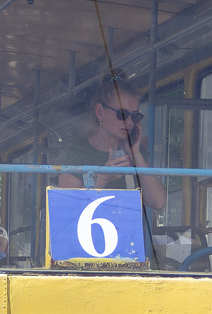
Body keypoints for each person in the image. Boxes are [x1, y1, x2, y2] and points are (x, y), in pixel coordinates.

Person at [56, 70, 167, 210]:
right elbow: (67, 209)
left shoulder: (136, 156)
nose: (129, 122)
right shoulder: (75, 152)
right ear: (100, 112)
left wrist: (136, 153)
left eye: (135, 116)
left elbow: (159, 202)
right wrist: (102, 179)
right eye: (122, 114)